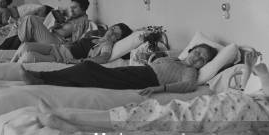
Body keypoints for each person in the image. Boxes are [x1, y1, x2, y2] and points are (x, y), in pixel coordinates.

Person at [21, 43, 218, 94]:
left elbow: (188, 86)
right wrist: (147, 58)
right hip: (138, 72)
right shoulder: (176, 59)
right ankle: (43, 78)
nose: (197, 58)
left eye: (202, 59)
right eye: (197, 52)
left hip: (144, 80)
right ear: (190, 51)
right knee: (88, 71)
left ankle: (41, 77)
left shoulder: (190, 72)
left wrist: (161, 89)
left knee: (88, 68)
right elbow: (157, 63)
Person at [11, 22, 133, 64]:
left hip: (62, 57)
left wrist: (80, 61)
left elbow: (104, 58)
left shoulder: (107, 45)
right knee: (26, 45)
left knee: (29, 57)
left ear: (117, 40)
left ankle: (12, 67)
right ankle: (11, 62)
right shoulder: (97, 35)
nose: (111, 33)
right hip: (57, 47)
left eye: (115, 35)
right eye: (112, 29)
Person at [15, 0, 91, 45]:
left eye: (74, 8)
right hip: (52, 37)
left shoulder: (82, 21)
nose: (71, 10)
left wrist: (54, 27)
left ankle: (19, 40)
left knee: (30, 19)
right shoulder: (74, 18)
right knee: (27, 22)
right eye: (71, 8)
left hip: (56, 42)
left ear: (83, 8)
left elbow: (64, 33)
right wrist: (57, 25)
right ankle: (19, 39)